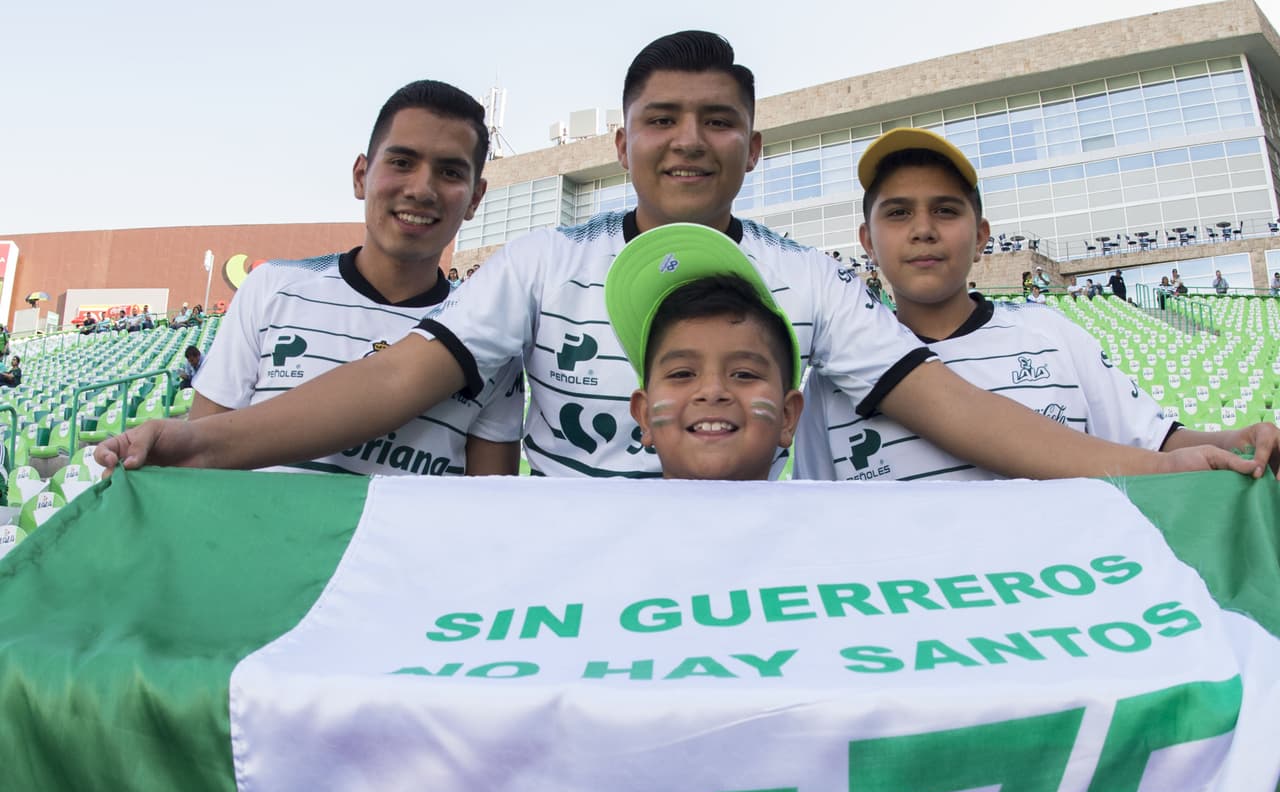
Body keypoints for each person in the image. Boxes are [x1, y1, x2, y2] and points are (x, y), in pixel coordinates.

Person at [95, 31, 1267, 483]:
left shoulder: (809, 279)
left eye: (716, 121)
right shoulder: (541, 263)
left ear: (753, 147)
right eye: (662, 118)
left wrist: (1153, 468)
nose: (688, 140)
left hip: (736, 592)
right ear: (624, 141)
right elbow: (397, 380)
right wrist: (203, 436)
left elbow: (955, 409)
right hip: (568, 592)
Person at [795, 128, 1280, 482]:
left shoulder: (1054, 334)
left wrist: (1242, 439)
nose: (923, 228)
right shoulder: (832, 380)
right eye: (898, 213)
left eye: (946, 210)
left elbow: (1160, 444)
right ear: (867, 242)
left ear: (982, 236)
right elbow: (821, 519)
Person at [187, 79, 523, 477]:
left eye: (450, 172)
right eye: (401, 162)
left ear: (475, 198)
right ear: (361, 175)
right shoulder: (271, 289)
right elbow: (197, 466)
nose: (421, 189)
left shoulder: (490, 338)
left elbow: (485, 508)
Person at [606, 222, 803, 480]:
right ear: (644, 415)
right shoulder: (596, 521)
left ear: (787, 416)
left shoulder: (825, 521)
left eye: (744, 374)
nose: (712, 392)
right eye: (682, 374)